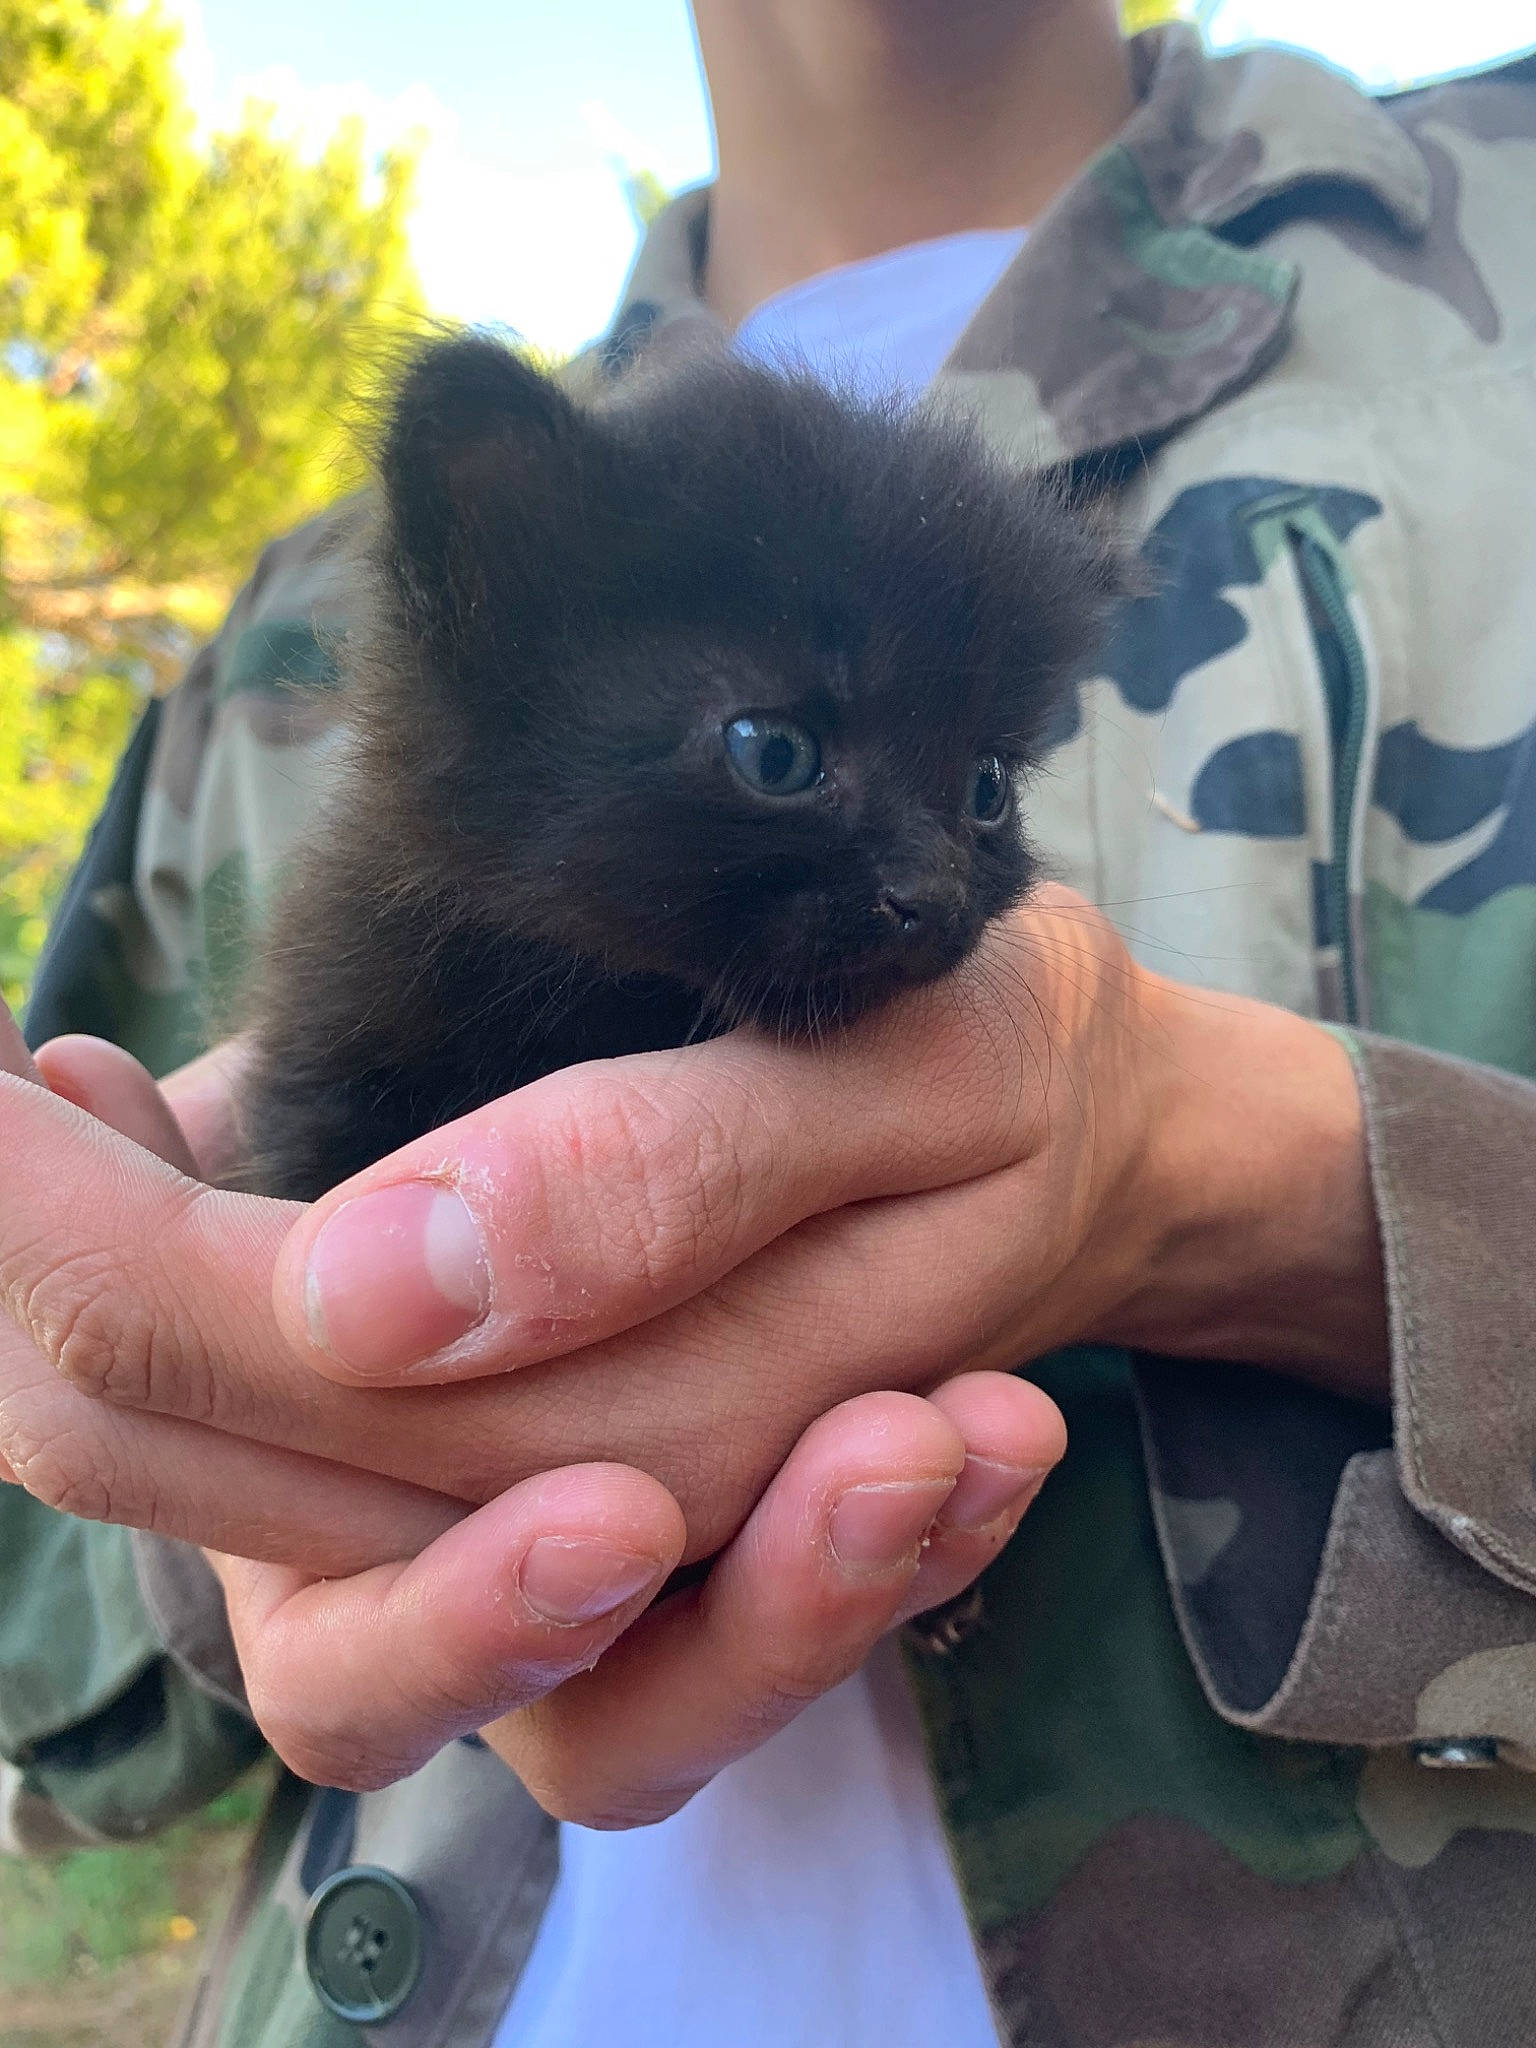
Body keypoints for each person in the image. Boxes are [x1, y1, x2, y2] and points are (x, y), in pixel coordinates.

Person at [3, 2, 1535, 2042]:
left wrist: (1248, 1195)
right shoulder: (298, 622)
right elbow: (74, 1682)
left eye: (982, 792)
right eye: (780, 755)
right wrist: (209, 1437)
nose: (927, 883)